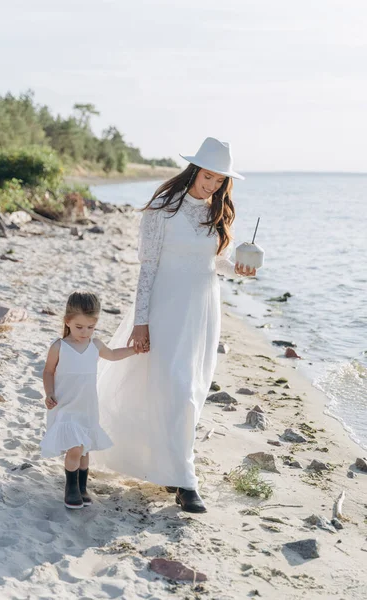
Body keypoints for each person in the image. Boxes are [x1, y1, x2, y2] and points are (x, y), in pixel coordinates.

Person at [95, 137, 256, 513]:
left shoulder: (218, 212)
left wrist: (239, 270)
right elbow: (148, 267)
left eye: (220, 180)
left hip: (202, 312)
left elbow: (214, 262)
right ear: (194, 170)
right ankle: (186, 482)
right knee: (174, 389)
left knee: (192, 390)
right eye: (208, 176)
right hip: (166, 308)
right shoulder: (162, 210)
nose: (213, 184)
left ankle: (171, 468)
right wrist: (141, 322)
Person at [40, 291, 139, 509]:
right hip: (66, 405)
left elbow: (112, 355)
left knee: (84, 451)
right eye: (79, 327)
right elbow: (48, 371)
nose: (85, 333)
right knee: (74, 448)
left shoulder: (95, 345)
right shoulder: (59, 346)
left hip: (87, 407)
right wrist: (49, 393)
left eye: (90, 327)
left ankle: (82, 487)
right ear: (68, 322)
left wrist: (134, 349)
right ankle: (71, 488)